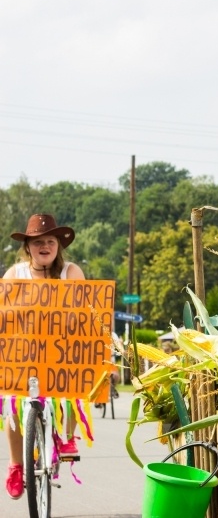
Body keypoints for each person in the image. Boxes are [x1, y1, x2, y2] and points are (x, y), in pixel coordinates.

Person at [3, 214, 86, 500]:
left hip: (62, 350)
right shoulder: (14, 275)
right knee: (10, 400)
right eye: (38, 242)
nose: (44, 246)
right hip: (23, 352)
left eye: (50, 241)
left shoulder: (71, 272)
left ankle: (66, 439)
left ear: (58, 246)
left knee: (76, 378)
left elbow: (84, 314)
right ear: (28, 247)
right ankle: (16, 465)